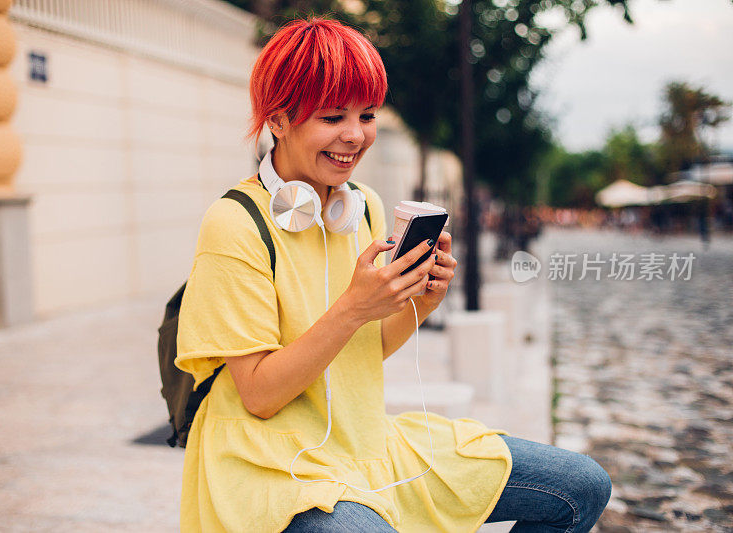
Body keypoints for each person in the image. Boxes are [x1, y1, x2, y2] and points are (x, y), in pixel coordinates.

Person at [176, 17, 612, 532]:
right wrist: (353, 307)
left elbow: (366, 348)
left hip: (366, 444)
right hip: (270, 465)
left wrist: (417, 303)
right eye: (333, 116)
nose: (355, 136)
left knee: (580, 486)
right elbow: (260, 395)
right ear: (278, 119)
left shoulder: (363, 208)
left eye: (368, 114)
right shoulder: (235, 224)